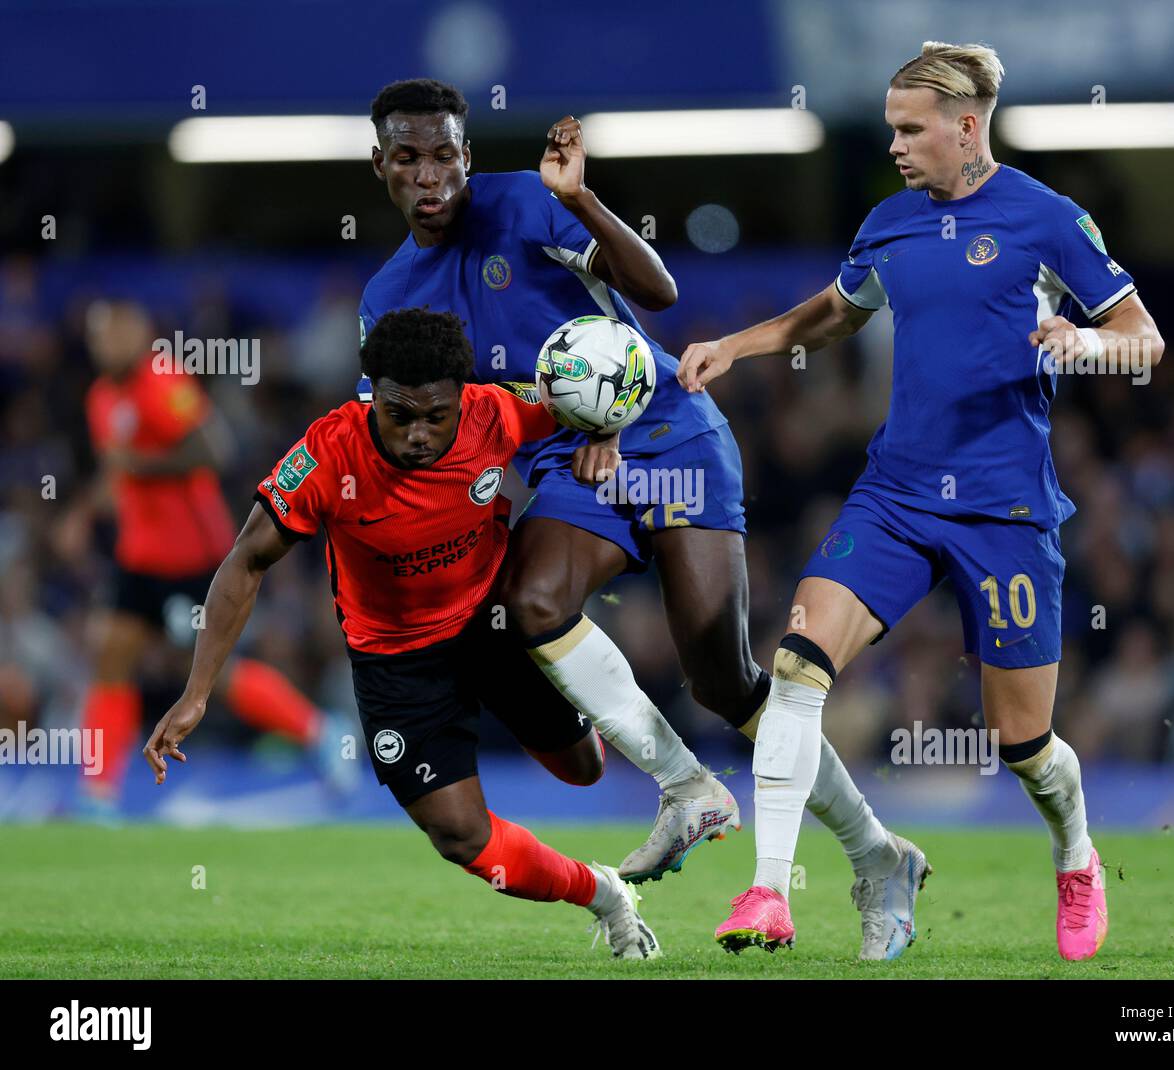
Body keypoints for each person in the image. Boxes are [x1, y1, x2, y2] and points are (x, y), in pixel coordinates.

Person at [682, 42, 1164, 961]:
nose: (896, 145)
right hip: (895, 494)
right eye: (893, 128)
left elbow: (1145, 340)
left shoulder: (1049, 220)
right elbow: (832, 313)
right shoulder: (891, 223)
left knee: (1023, 744)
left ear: (966, 126)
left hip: (1005, 508)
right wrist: (737, 346)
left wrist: (1088, 346)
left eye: (912, 130)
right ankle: (768, 892)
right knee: (794, 666)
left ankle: (1075, 855)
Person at [362, 80, 893, 907]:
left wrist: (582, 199)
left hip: (668, 432)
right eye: (408, 158)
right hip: (571, 464)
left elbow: (658, 294)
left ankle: (874, 848)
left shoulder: (527, 203)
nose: (429, 176)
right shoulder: (388, 300)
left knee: (723, 681)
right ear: (381, 165)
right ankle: (688, 788)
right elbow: (422, 437)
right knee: (532, 600)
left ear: (467, 158)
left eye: (444, 156)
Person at [143, 308, 660, 959]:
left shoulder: (498, 410)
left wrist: (605, 433)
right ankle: (605, 895)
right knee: (460, 837)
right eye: (399, 414)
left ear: (461, 397)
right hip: (395, 663)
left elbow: (610, 398)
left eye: (434, 416)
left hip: (490, 627)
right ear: (371, 394)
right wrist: (198, 692)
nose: (418, 433)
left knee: (583, 771)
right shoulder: (328, 454)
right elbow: (244, 561)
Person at [69, 298, 346, 812]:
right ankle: (97, 795)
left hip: (189, 556)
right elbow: (118, 473)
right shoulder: (102, 397)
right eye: (97, 336)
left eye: (114, 333)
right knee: (110, 654)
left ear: (139, 332)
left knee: (210, 673)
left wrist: (140, 467)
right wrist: (82, 513)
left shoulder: (163, 381)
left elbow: (213, 449)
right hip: (139, 555)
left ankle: (321, 733)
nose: (105, 345)